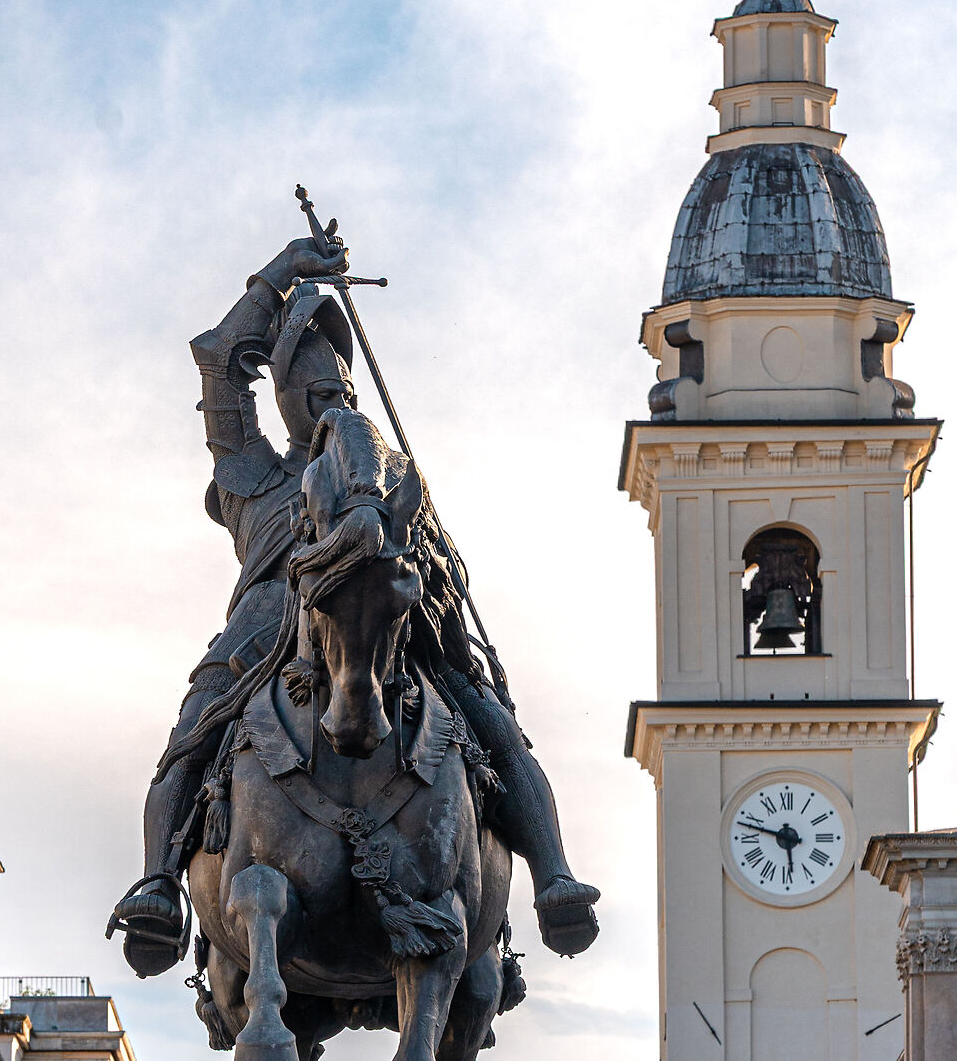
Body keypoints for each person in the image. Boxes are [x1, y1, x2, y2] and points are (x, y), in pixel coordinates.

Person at [107, 223, 599, 976]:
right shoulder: (253, 475)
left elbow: (437, 558)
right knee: (193, 730)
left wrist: (422, 560)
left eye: (342, 392)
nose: (333, 405)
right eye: (317, 394)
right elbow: (219, 362)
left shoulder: (387, 473)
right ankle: (159, 885)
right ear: (287, 402)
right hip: (269, 625)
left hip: (391, 617)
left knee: (493, 724)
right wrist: (279, 275)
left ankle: (552, 877)